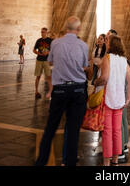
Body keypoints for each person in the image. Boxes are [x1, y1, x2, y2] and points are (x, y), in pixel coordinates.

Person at [35, 16, 89, 167]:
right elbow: (85, 65)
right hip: (78, 90)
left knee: (51, 127)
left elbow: (50, 61)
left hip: (59, 90)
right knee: (73, 131)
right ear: (78, 29)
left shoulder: (56, 43)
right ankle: (70, 163)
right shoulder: (83, 45)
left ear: (66, 28)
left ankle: (41, 162)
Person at [94, 34, 130, 166]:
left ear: (111, 44)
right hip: (120, 100)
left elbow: (104, 78)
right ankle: (115, 160)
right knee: (117, 131)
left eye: (107, 41)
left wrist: (95, 81)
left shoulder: (107, 58)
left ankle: (106, 161)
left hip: (108, 99)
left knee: (107, 131)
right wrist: (128, 97)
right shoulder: (123, 59)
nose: (106, 42)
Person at [33, 28, 53, 99]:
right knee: (38, 76)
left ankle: (51, 92)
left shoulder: (50, 40)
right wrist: (38, 53)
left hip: (47, 60)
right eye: (41, 32)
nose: (42, 33)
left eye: (43, 32)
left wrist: (48, 52)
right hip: (39, 60)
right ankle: (36, 91)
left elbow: (53, 49)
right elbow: (34, 50)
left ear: (46, 33)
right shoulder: (38, 40)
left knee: (49, 77)